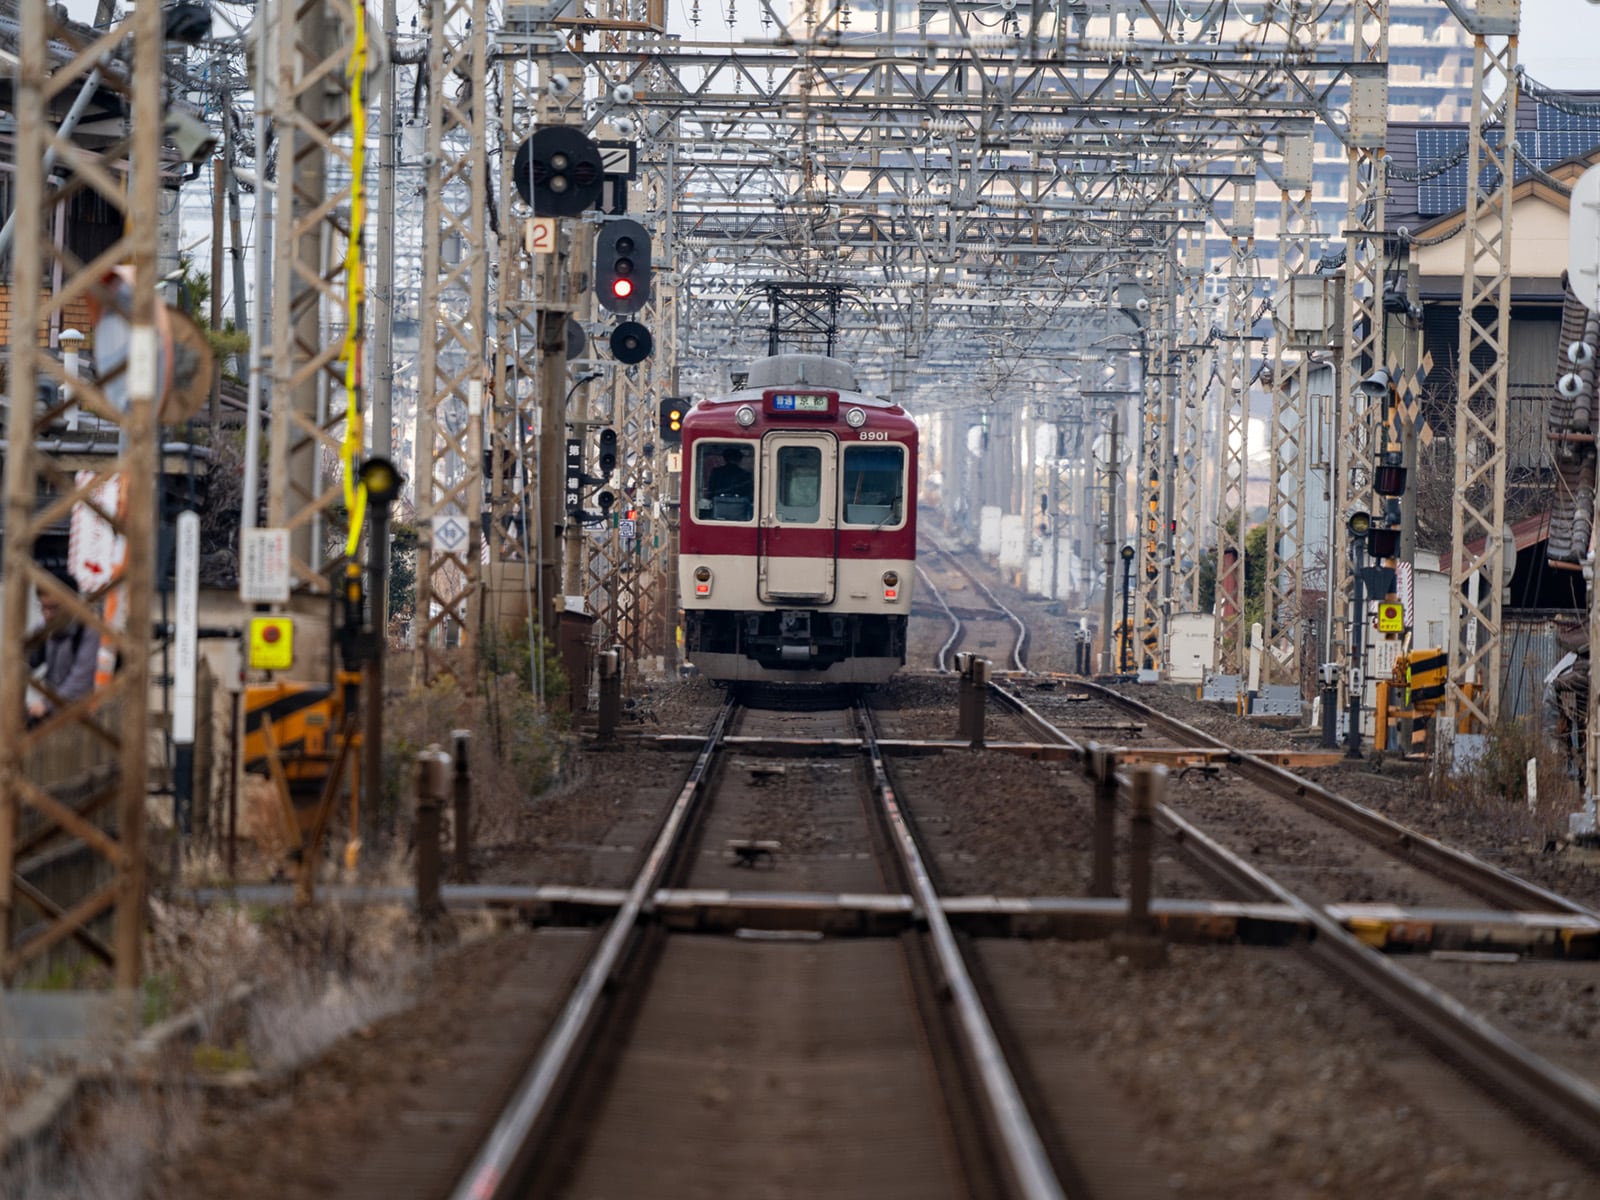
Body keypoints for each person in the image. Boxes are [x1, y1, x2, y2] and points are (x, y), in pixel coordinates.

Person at [28, 573, 100, 721]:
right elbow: (26, 662)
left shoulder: (89, 631)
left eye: (54, 608)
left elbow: (80, 681)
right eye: (43, 607)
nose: (47, 615)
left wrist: (46, 705)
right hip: (52, 711)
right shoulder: (44, 627)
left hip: (84, 715)